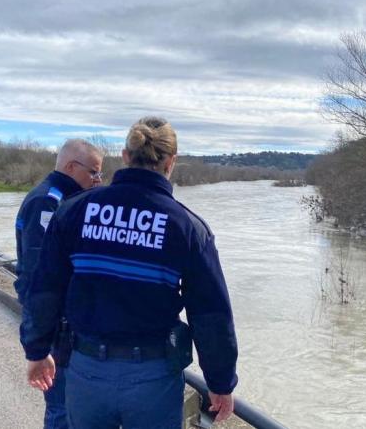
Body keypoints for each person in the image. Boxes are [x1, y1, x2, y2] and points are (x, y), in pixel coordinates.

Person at [20, 117, 238, 429]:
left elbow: (45, 288)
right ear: (171, 163)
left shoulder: (74, 211)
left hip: (86, 370)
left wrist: (37, 350)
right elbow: (210, 313)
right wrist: (221, 382)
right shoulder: (187, 227)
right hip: (153, 378)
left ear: (124, 157)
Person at [15, 139, 103, 429]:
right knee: (62, 408)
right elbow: (40, 275)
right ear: (71, 167)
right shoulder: (48, 202)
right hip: (57, 327)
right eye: (93, 172)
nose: (98, 180)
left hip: (65, 323)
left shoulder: (67, 201)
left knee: (73, 406)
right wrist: (39, 343)